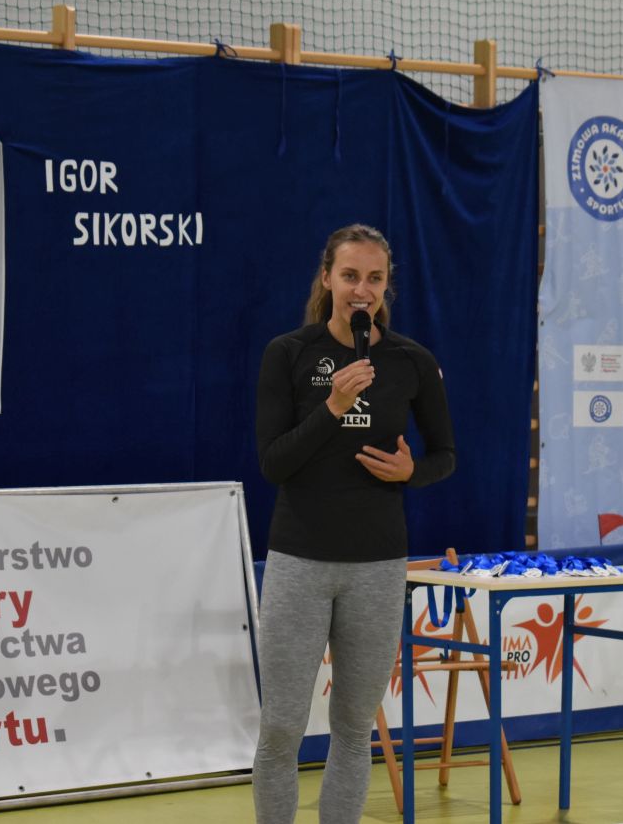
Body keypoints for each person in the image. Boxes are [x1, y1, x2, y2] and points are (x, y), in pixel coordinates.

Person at [252, 223, 456, 824]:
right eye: (349, 276)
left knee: (352, 727)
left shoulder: (411, 361)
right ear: (327, 279)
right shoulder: (288, 353)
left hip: (377, 566)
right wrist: (333, 408)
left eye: (374, 278)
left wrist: (411, 472)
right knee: (281, 727)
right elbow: (273, 463)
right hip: (299, 561)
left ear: (387, 286)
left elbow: (445, 455)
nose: (362, 289)